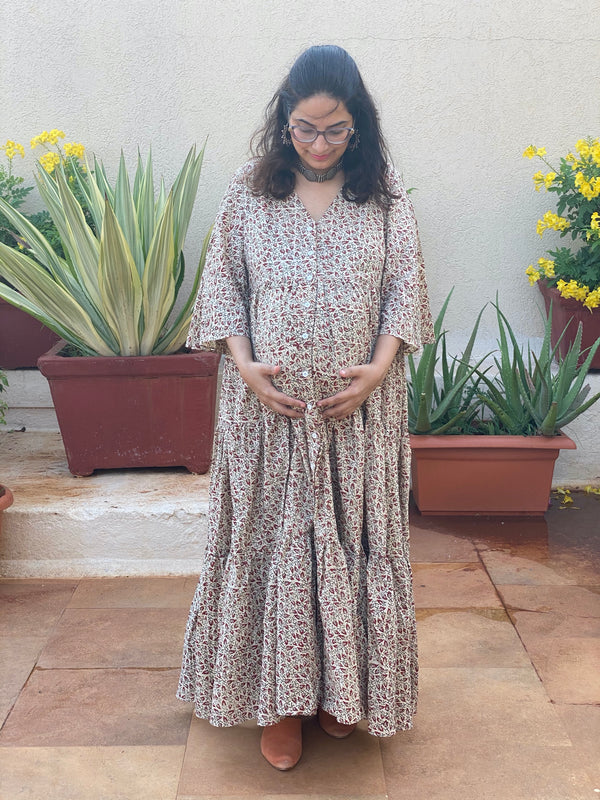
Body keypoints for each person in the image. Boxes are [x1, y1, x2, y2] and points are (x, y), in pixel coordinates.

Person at [177, 43, 434, 771]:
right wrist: (246, 367)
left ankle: (338, 691)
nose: (319, 144)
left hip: (357, 419)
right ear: (283, 120)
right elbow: (222, 285)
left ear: (360, 127)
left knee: (349, 546)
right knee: (278, 547)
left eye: (336, 130)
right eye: (305, 128)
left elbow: (405, 291)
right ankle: (282, 703)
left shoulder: (381, 191)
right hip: (269, 418)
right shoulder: (249, 189)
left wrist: (378, 371)